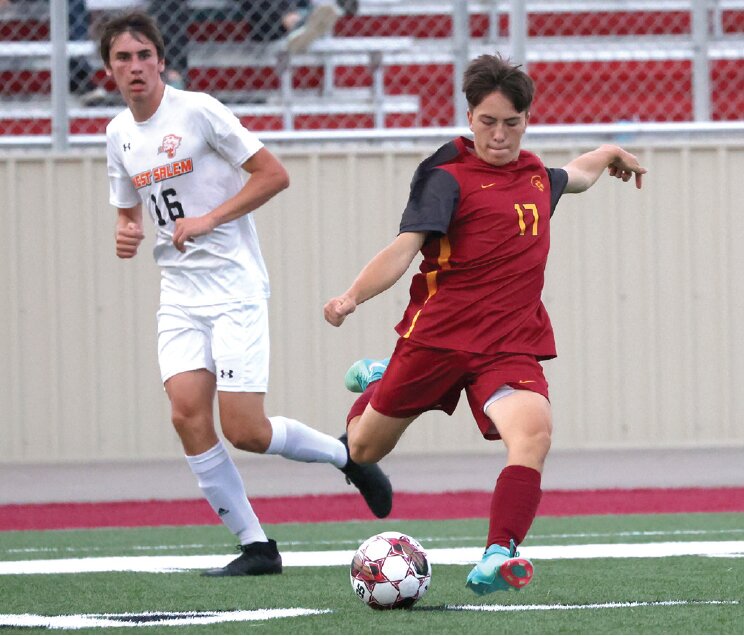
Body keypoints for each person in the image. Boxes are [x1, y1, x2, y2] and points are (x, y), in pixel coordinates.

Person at [324, 54, 646, 595]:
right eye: (488, 122)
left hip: (507, 347)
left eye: (511, 123)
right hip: (436, 340)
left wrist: (611, 151)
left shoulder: (538, 178)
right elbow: (404, 250)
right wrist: (351, 296)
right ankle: (383, 379)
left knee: (534, 434)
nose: (499, 135)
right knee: (362, 450)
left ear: (526, 120)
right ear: (470, 117)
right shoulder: (446, 179)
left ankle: (500, 552)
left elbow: (582, 175)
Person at [100, 9, 392, 577]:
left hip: (233, 288)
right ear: (109, 68)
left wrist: (210, 219)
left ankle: (347, 455)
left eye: (143, 55)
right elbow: (128, 208)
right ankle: (256, 546)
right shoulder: (117, 134)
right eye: (122, 58)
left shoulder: (200, 111)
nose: (135, 67)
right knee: (187, 416)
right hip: (179, 294)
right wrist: (125, 232)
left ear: (161, 60)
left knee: (246, 431)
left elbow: (274, 175)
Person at [241, 0, 343, 54]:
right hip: (265, 22)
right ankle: (300, 25)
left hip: (285, 12)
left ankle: (301, 25)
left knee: (311, 7)